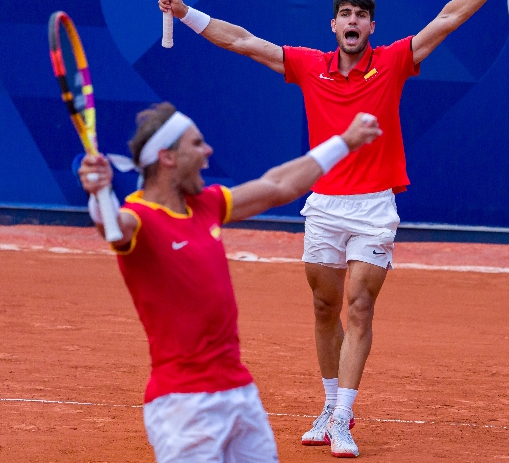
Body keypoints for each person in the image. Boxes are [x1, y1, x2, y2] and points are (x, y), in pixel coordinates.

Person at [157, 0, 509, 457]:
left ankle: (342, 415)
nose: (352, 22)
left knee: (359, 306)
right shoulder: (309, 66)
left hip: (375, 206)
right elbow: (242, 41)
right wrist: (186, 11)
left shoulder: (395, 60)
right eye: (345, 15)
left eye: (361, 16)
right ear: (333, 25)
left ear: (371, 27)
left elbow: (447, 19)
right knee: (323, 305)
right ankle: (327, 403)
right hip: (324, 205)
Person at [77, 102, 382, 462]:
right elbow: (112, 228)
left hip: (239, 394)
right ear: (168, 157)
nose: (207, 151)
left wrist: (344, 142)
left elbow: (277, 185)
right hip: (182, 405)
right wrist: (100, 195)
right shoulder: (138, 218)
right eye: (197, 144)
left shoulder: (206, 204)